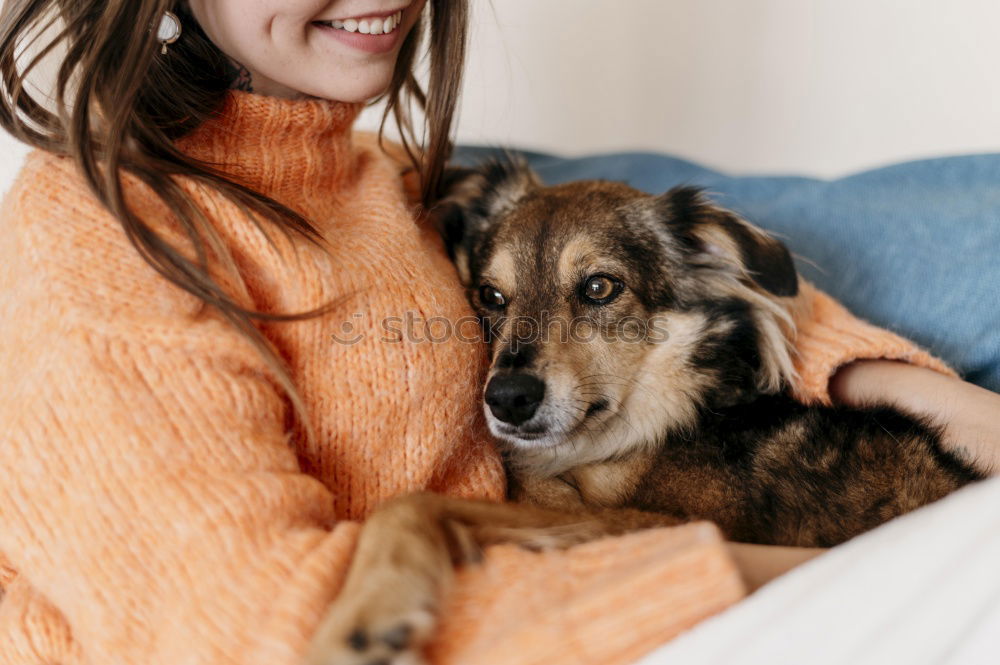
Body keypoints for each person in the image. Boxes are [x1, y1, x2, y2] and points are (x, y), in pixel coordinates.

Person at [0, 2, 997, 664]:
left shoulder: (387, 181)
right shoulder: (99, 240)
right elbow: (260, 633)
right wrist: (780, 570)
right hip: (564, 614)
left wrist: (925, 395)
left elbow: (667, 270)